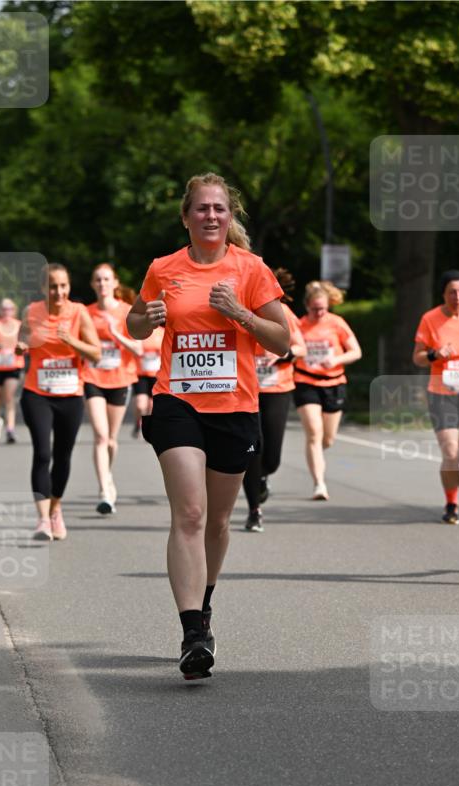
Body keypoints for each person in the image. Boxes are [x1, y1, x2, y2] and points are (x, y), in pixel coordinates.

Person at [126, 172, 288, 680]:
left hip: (235, 407)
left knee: (217, 522)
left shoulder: (251, 269)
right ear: (186, 216)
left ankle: (206, 599)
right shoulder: (163, 268)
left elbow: (282, 341)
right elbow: (132, 323)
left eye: (219, 209)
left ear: (229, 216)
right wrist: (145, 320)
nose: (211, 216)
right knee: (190, 514)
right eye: (201, 209)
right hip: (177, 401)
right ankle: (193, 630)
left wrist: (239, 313)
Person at [17, 263, 101, 541]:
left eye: (63, 285)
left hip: (70, 395)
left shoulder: (79, 313)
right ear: (44, 288)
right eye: (53, 286)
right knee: (42, 453)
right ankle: (42, 520)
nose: (59, 291)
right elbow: (23, 338)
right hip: (37, 392)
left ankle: (55, 509)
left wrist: (72, 342)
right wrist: (21, 345)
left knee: (63, 455)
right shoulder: (31, 311)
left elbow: (96, 354)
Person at [413, 270, 459, 524]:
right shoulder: (430, 319)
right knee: (451, 452)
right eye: (451, 292)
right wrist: (436, 354)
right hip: (442, 394)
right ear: (443, 294)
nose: (457, 297)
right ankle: (452, 503)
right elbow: (418, 358)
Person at [242, 267, 306, 531]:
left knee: (272, 459)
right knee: (251, 453)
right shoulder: (240, 311)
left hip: (277, 389)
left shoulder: (284, 313)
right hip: (246, 392)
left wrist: (281, 355)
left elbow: (300, 348)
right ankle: (254, 510)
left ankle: (264, 476)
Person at [293, 280, 362, 500]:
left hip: (334, 383)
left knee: (327, 439)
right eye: (315, 309)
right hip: (305, 382)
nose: (319, 313)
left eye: (323, 308)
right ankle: (319, 484)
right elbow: (291, 349)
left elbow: (356, 352)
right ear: (307, 306)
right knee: (314, 433)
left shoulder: (337, 323)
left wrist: (335, 359)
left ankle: (317, 454)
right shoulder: (299, 325)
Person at [84, 263, 142, 514]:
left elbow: (139, 349)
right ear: (92, 285)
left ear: (115, 283)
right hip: (92, 377)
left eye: (107, 279)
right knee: (100, 435)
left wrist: (114, 334)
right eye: (98, 280)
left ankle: (108, 475)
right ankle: (105, 489)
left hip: (120, 379)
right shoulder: (85, 313)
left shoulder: (127, 312)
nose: (102, 284)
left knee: (111, 441)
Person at [0, 298, 23, 443]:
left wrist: (20, 348)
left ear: (14, 310)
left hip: (13, 365)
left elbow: (25, 342)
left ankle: (10, 429)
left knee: (9, 397)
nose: (6, 311)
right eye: (3, 308)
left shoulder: (19, 325)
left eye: (9, 308)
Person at [132, 324, 164, 439]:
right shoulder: (138, 332)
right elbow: (135, 350)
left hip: (156, 374)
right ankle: (138, 422)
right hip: (140, 373)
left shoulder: (162, 332)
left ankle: (146, 426)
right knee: (141, 404)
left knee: (151, 404)